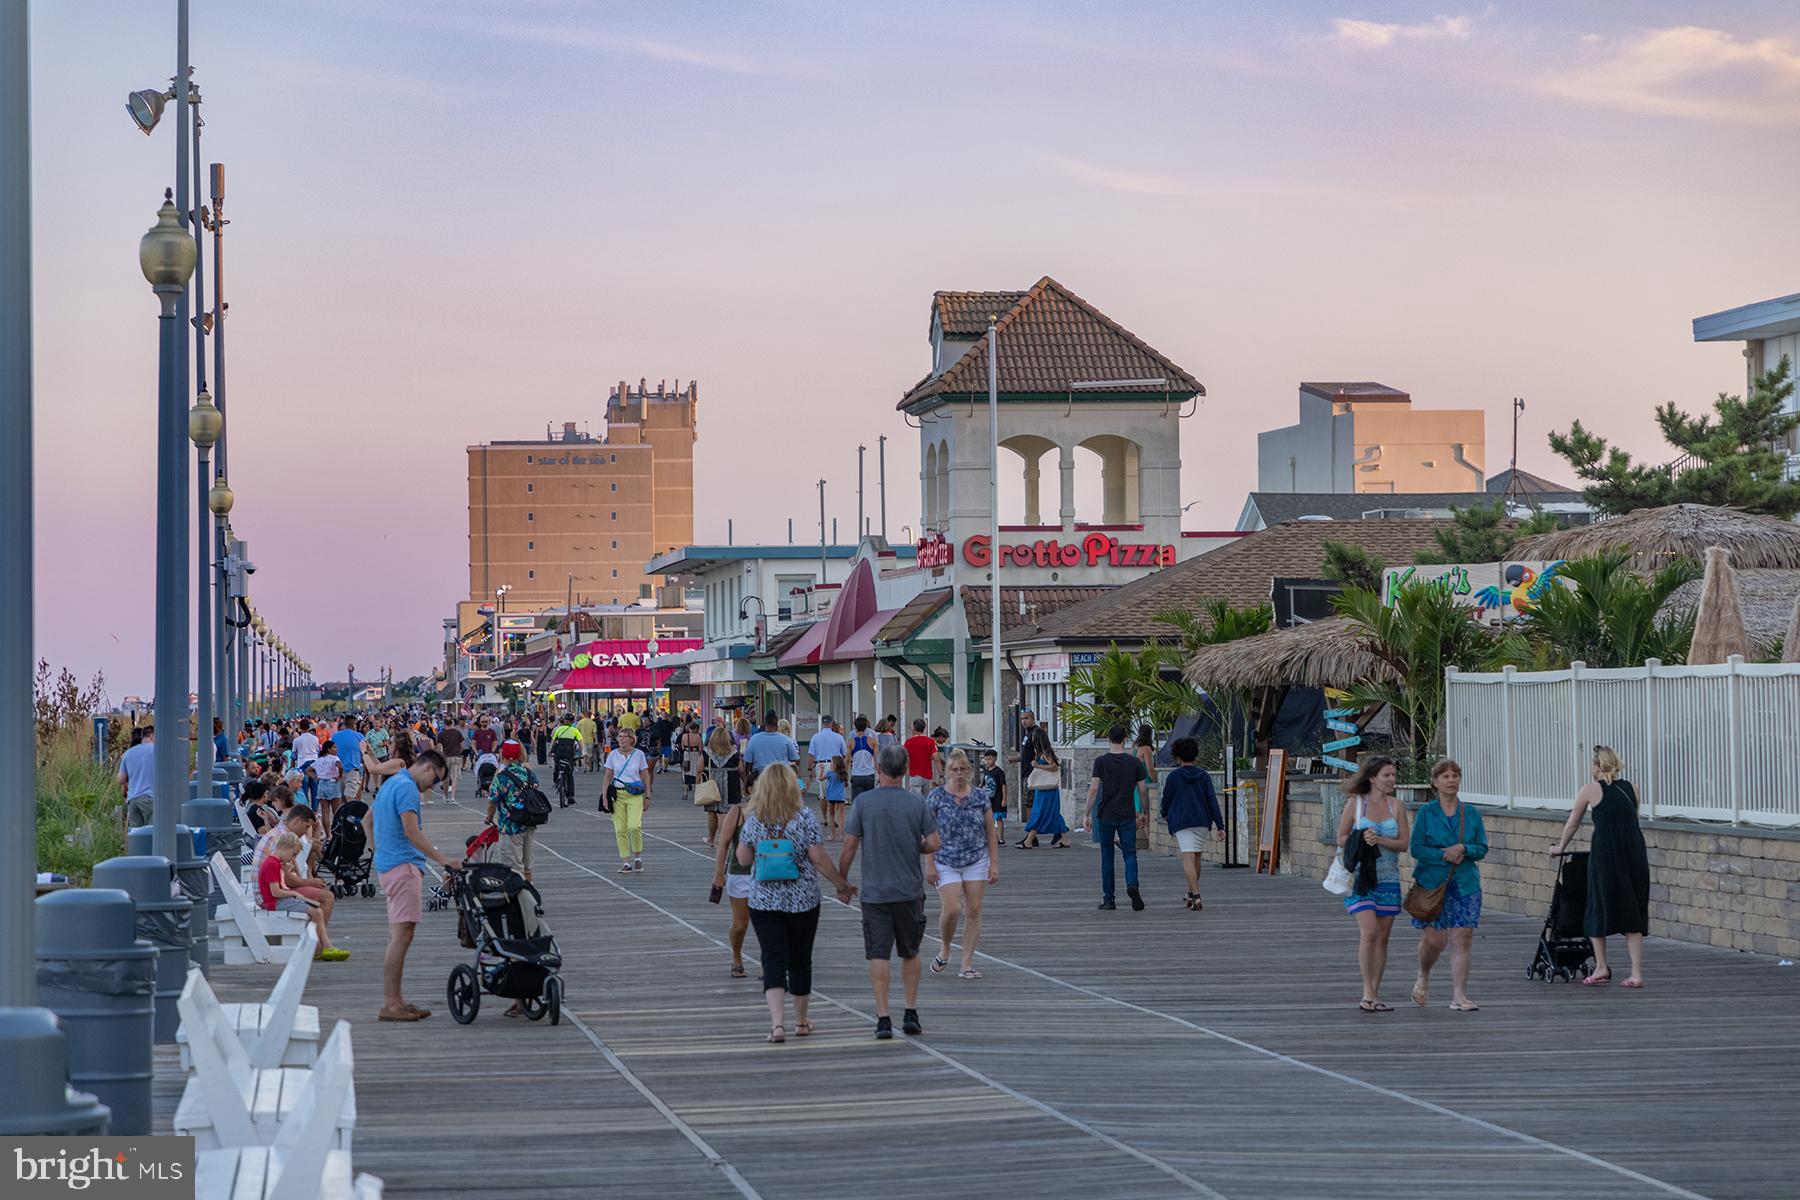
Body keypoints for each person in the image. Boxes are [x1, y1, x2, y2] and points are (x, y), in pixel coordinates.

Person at [735, 764, 855, 1043]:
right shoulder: (804, 817)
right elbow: (819, 858)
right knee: (800, 959)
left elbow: (743, 859)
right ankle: (801, 1021)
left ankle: (777, 1025)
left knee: (772, 958)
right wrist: (841, 885)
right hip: (802, 901)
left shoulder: (754, 818)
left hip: (764, 901)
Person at [839, 743, 941, 1040]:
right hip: (909, 891)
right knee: (910, 952)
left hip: (875, 893)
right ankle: (910, 1011)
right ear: (905, 770)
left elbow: (849, 846)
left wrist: (842, 882)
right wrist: (918, 847)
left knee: (878, 955)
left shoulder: (863, 803)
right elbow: (934, 842)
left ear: (878, 768)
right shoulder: (916, 803)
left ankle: (883, 1018)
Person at [1550, 745, 1651, 989]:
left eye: (1591, 763)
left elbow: (1573, 823)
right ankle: (1636, 973)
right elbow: (1631, 819)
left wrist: (1560, 847)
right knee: (1633, 908)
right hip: (1634, 853)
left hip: (1606, 854)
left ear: (1597, 766)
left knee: (1597, 904)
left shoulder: (1590, 790)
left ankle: (1601, 966)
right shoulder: (1632, 788)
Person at [372, 750, 461, 1022]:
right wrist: (442, 859)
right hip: (403, 867)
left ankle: (396, 1000)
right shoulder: (407, 788)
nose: (431, 786)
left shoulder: (392, 783)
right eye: (435, 780)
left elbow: (368, 820)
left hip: (389, 865)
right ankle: (391, 1004)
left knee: (397, 935)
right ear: (428, 768)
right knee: (402, 936)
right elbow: (411, 831)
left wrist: (379, 851)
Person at [1409, 758, 1488, 1012]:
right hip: (1432, 884)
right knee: (1434, 939)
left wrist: (1463, 848)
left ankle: (1459, 996)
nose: (1451, 780)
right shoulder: (1426, 813)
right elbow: (1416, 848)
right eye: (1445, 776)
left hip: (1465, 883)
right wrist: (1443, 854)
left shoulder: (1471, 813)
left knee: (1462, 937)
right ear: (1435, 782)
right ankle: (1423, 973)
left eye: (1455, 776)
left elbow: (1482, 847)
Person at [1336, 755, 1410, 1013]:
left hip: (1389, 879)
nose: (1391, 779)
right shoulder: (1356, 803)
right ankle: (1367, 991)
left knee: (1382, 938)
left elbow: (1404, 843)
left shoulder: (1397, 806)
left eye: (1393, 775)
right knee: (1369, 933)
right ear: (1372, 778)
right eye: (1386, 775)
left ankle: (1376, 993)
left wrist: (1380, 840)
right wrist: (1360, 836)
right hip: (1360, 879)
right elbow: (1341, 837)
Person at [925, 749, 999, 979]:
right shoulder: (936, 797)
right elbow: (927, 832)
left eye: (962, 769)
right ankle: (945, 948)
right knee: (952, 909)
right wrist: (929, 864)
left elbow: (990, 831)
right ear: (947, 772)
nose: (958, 774)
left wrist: (993, 863)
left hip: (976, 858)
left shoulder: (979, 797)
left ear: (969, 771)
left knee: (974, 909)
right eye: (954, 770)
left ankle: (966, 963)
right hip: (945, 859)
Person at [1084, 724, 1150, 911]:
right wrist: (1144, 812)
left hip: (1106, 814)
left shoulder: (1101, 762)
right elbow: (1142, 791)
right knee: (1130, 853)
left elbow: (1094, 789)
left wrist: (1086, 813)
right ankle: (1132, 884)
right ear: (1125, 739)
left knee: (1107, 856)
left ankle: (1109, 899)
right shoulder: (1134, 762)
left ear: (1108, 740)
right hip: (1127, 813)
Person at [1159, 736, 1226, 910]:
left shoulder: (1173, 777)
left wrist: (1164, 813)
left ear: (1178, 756)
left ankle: (1196, 895)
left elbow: (1166, 799)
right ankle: (1190, 893)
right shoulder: (1204, 776)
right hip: (1202, 821)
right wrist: (1220, 825)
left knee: (1188, 856)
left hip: (1182, 821)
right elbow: (1212, 800)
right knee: (1196, 856)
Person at [259, 832, 349, 960]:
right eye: (293, 854)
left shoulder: (276, 863)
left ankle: (320, 947)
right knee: (317, 913)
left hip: (280, 900)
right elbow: (275, 892)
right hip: (275, 902)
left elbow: (288, 882)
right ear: (284, 847)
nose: (293, 858)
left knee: (318, 911)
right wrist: (293, 893)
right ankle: (324, 947)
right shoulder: (272, 864)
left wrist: (290, 866)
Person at [711, 789, 754, 980]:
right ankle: (736, 956)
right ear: (749, 789)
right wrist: (719, 874)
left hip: (769, 875)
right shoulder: (738, 812)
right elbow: (723, 844)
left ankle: (773, 964)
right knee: (740, 924)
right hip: (741, 874)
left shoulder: (776, 811)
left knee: (771, 924)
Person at [487, 739, 540, 891]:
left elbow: (492, 801)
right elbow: (536, 787)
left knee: (513, 864)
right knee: (527, 863)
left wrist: (488, 818)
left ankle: (519, 896)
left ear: (503, 755)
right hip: (529, 822)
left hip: (510, 825)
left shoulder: (501, 777)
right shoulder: (528, 772)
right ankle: (530, 891)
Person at [601, 727, 652, 873]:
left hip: (634, 794)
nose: (621, 739)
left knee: (634, 826)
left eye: (625, 736)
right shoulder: (613, 755)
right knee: (620, 829)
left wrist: (648, 796)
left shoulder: (639, 754)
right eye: (620, 736)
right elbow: (608, 776)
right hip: (617, 795)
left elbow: (645, 775)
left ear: (632, 739)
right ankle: (625, 862)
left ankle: (637, 857)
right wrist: (604, 796)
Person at [1018, 726, 1070, 849]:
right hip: (1044, 789)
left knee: (1039, 813)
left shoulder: (1045, 753)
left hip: (1047, 790)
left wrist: (1037, 766)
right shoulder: (1040, 753)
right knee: (1053, 813)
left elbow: (1054, 766)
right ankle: (1065, 839)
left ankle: (1029, 841)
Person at [742, 710, 797, 791]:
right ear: (776, 725)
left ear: (765, 724)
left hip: (761, 777)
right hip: (781, 776)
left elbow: (748, 762)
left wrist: (746, 777)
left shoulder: (754, 739)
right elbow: (794, 759)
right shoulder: (786, 740)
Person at [118, 725, 157, 829]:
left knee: (136, 834)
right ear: (152, 735)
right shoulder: (157, 750)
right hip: (150, 798)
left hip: (133, 799)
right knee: (152, 832)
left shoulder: (128, 753)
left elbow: (121, 779)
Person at [806, 715, 847, 812]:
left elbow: (811, 755)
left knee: (823, 794)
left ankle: (825, 817)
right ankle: (834, 815)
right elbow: (844, 754)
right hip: (836, 765)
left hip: (821, 766)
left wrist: (809, 769)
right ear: (831, 723)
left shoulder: (815, 737)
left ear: (822, 723)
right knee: (836, 791)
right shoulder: (838, 737)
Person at [550, 711, 583, 808]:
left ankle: (557, 779)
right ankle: (570, 795)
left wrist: (551, 751)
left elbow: (553, 742)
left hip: (559, 754)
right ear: (572, 721)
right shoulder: (575, 731)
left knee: (557, 767)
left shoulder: (559, 730)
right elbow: (580, 743)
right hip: (569, 755)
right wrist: (581, 753)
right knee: (569, 775)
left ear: (564, 721)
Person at [902, 718, 938, 796]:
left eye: (912, 727)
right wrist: (941, 774)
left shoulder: (908, 742)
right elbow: (936, 757)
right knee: (927, 799)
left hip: (914, 775)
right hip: (928, 775)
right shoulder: (930, 741)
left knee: (915, 799)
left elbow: (904, 758)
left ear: (914, 728)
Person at [311, 740, 344, 826]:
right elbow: (340, 766)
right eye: (334, 747)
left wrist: (316, 777)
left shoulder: (319, 759)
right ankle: (336, 830)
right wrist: (339, 776)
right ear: (329, 749)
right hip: (332, 783)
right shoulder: (334, 758)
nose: (337, 749)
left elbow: (308, 770)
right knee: (336, 812)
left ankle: (328, 833)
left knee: (325, 812)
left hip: (321, 784)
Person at [847, 716, 879, 802]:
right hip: (869, 774)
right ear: (866, 727)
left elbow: (847, 760)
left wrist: (845, 775)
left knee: (856, 802)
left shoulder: (851, 742)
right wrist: (880, 775)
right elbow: (877, 759)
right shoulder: (873, 741)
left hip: (856, 774)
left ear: (855, 727)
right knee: (869, 801)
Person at [980, 748, 1008, 845]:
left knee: (998, 818)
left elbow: (1003, 785)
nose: (988, 761)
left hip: (997, 799)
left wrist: (1004, 799)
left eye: (990, 759)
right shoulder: (987, 772)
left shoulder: (999, 772)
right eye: (986, 759)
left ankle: (1001, 838)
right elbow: (983, 785)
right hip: (988, 800)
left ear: (995, 759)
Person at [1014, 709, 1039, 816]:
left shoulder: (1036, 733)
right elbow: (1027, 754)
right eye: (1022, 718)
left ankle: (1031, 825)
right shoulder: (1027, 733)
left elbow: (1041, 752)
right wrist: (1016, 758)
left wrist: (1037, 765)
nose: (1023, 721)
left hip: (1033, 773)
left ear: (1033, 719)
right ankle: (1031, 824)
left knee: (1030, 802)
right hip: (1025, 772)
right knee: (1027, 801)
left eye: (1026, 718)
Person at [334, 719, 365, 805]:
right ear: (354, 725)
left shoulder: (335, 736)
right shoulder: (359, 736)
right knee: (350, 797)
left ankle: (343, 813)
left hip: (338, 770)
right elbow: (364, 752)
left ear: (344, 724)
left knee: (341, 798)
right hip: (353, 770)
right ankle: (352, 812)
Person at [822, 754, 848, 840]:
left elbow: (820, 778)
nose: (830, 763)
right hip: (840, 796)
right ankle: (841, 835)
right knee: (841, 815)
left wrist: (821, 770)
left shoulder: (830, 773)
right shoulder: (843, 774)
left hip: (831, 797)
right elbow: (846, 784)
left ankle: (833, 835)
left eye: (832, 762)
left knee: (831, 815)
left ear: (835, 764)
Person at [436, 722, 465, 796]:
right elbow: (462, 745)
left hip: (446, 757)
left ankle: (446, 795)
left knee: (446, 776)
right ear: (452, 724)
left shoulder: (441, 734)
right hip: (456, 756)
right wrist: (459, 752)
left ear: (445, 724)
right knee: (454, 777)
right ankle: (453, 797)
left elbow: (439, 747)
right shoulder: (458, 733)